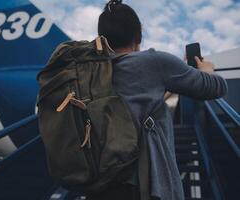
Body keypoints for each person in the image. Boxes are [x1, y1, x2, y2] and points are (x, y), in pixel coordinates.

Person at [87, 0, 228, 200]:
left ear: (102, 38)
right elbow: (216, 88)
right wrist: (208, 70)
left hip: (101, 184)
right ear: (138, 36)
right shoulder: (154, 62)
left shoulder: (92, 72)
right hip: (145, 186)